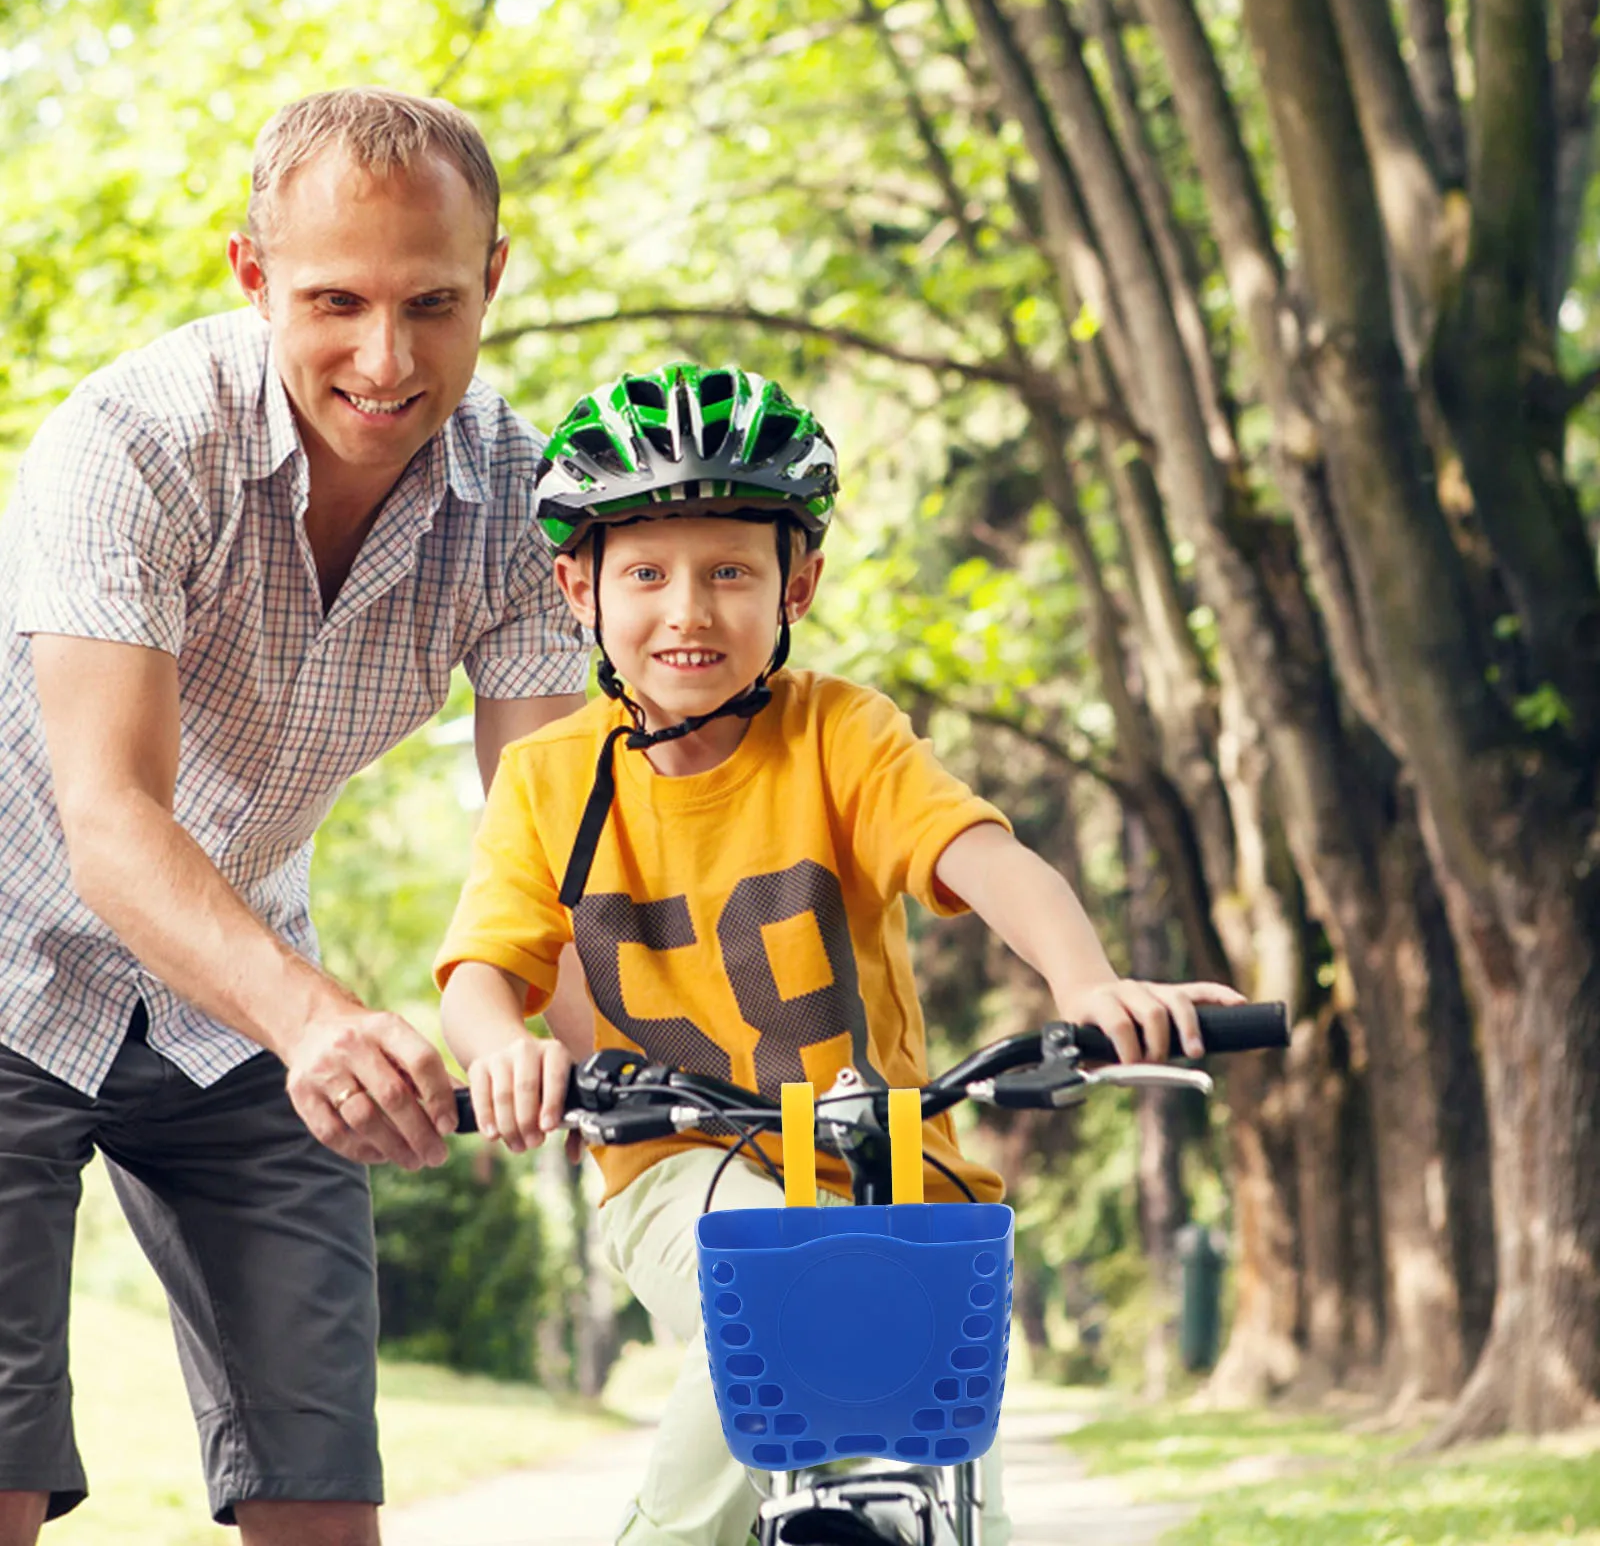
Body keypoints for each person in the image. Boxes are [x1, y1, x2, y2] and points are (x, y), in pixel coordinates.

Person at [433, 361, 1244, 1546]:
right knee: (769, 1276)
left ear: (795, 582)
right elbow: (483, 969)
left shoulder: (841, 733)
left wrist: (1086, 980)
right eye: (647, 572)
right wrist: (501, 1047)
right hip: (682, 1169)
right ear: (578, 585)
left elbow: (980, 854)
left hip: (899, 1178)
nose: (688, 610)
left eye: (729, 573)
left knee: (958, 1507)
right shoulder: (552, 778)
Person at [0, 88, 590, 1546]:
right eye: (336, 300)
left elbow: (554, 841)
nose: (386, 361)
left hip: (232, 1003)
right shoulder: (132, 443)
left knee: (323, 1498)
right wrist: (321, 1021)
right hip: (17, 963)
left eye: (433, 304)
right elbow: (110, 817)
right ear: (252, 275)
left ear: (494, 280)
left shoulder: (522, 499)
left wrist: (618, 1073)